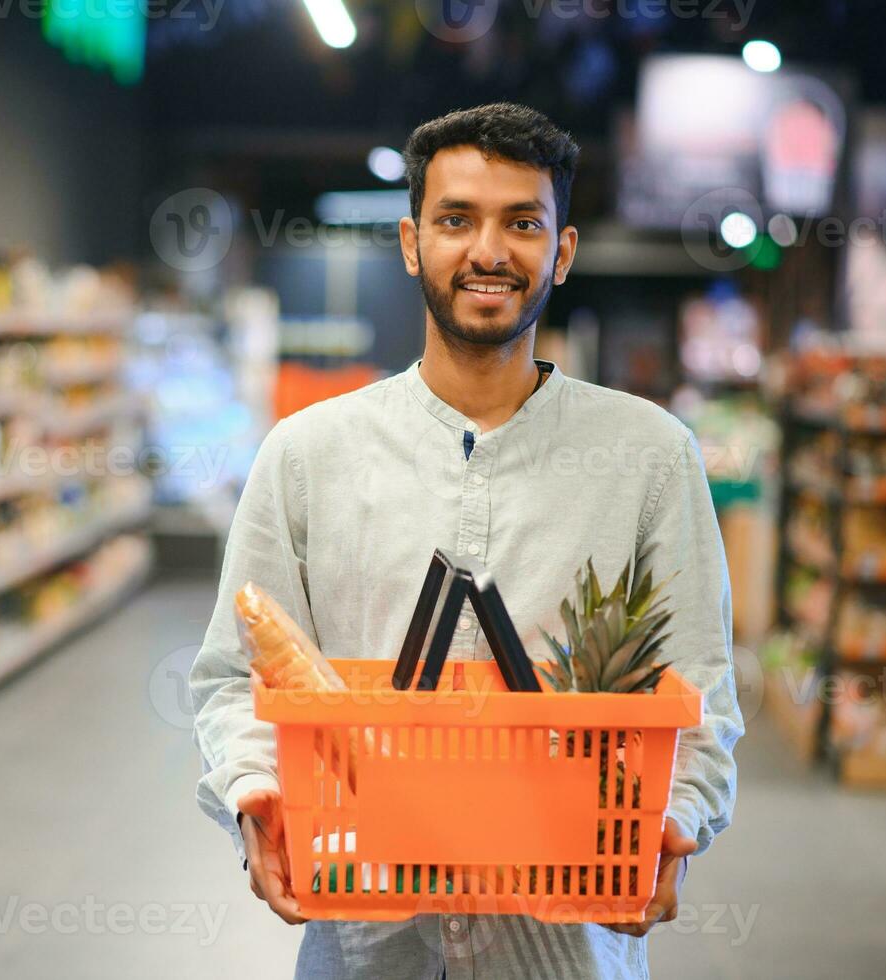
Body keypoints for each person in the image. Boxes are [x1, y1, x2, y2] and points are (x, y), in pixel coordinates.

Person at [189, 102, 743, 979]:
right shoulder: (305, 453)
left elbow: (700, 687)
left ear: (560, 252)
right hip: (365, 943)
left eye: (522, 222)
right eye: (456, 220)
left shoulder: (648, 458)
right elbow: (232, 677)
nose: (488, 251)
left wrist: (676, 813)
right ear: (412, 243)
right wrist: (255, 791)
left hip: (565, 947)